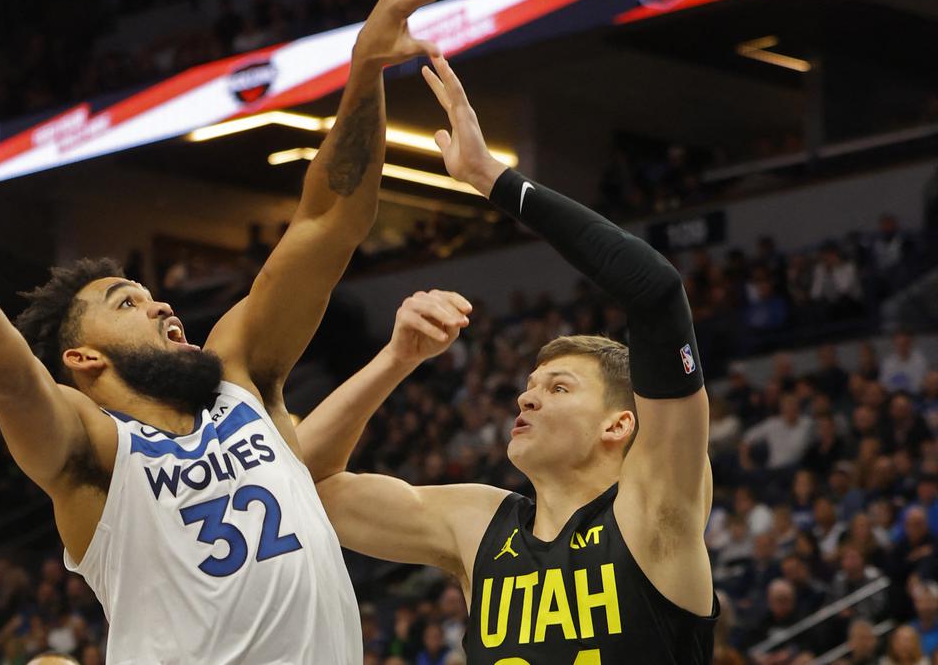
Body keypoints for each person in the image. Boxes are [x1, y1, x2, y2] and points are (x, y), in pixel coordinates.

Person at [0, 0, 467, 663]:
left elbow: (329, 219)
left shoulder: (241, 377)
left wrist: (365, 68)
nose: (161, 304)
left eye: (147, 293)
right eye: (126, 302)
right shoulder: (92, 453)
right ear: (85, 360)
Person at [301, 55, 716, 662]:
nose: (526, 397)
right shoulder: (479, 524)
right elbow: (304, 484)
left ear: (618, 423)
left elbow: (654, 291)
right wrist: (396, 358)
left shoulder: (657, 505)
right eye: (531, 385)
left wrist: (493, 177)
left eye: (559, 388)